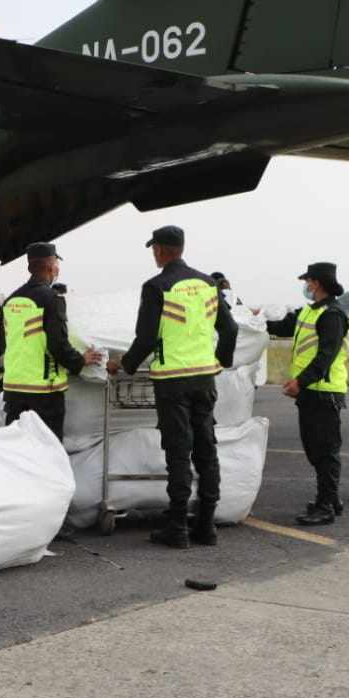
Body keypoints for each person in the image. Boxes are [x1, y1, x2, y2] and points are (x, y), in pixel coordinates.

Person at [116, 226, 238, 548]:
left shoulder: (156, 286)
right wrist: (220, 361)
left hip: (172, 383)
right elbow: (230, 328)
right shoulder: (208, 283)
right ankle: (206, 525)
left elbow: (145, 338)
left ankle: (178, 528)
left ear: (159, 250)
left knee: (179, 452)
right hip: (203, 379)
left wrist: (124, 365)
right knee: (207, 450)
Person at [266, 263, 349, 526]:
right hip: (310, 392)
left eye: (308, 281)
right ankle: (330, 499)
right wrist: (253, 320)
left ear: (316, 283)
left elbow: (326, 356)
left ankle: (326, 505)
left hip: (324, 391)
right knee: (315, 450)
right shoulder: (309, 312)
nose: (305, 285)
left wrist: (300, 382)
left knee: (325, 451)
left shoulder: (333, 315)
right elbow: (281, 327)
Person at [0, 242, 100, 440]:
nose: (58, 269)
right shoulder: (52, 299)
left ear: (30, 267)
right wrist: (80, 361)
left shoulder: (10, 301)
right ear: (50, 266)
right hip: (44, 392)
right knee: (47, 453)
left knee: (16, 450)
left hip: (13, 390)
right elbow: (58, 345)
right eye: (56, 264)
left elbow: (7, 343)